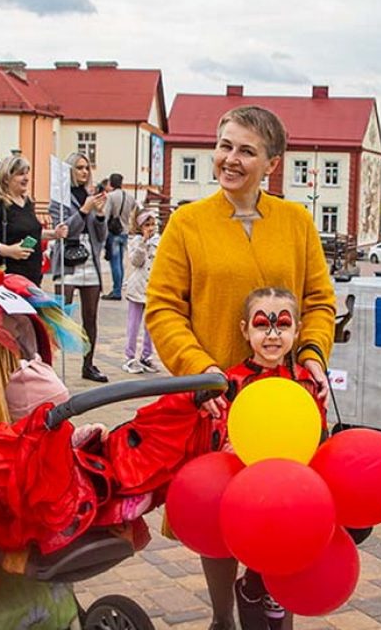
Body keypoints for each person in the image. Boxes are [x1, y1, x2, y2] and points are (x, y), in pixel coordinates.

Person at [146, 105, 336, 630]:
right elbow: (163, 307)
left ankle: (278, 610)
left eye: (246, 150)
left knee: (285, 507)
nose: (231, 158)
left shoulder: (296, 223)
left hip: (285, 397)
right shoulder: (188, 223)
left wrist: (315, 352)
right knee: (223, 508)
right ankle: (223, 617)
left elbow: (320, 300)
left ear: (271, 163)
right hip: (220, 397)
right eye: (225, 145)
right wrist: (198, 370)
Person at [219, 287, 327, 630]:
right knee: (263, 552)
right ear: (244, 330)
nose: (272, 334)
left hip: (296, 493)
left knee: (289, 555)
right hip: (251, 494)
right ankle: (251, 592)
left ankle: (264, 595)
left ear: (297, 331)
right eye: (262, 325)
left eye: (282, 325)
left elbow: (317, 434)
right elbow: (222, 432)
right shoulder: (232, 381)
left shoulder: (307, 382)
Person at [51, 151, 110, 382]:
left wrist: (101, 216)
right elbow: (65, 230)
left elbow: (100, 236)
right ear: (69, 171)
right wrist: (84, 210)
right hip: (67, 259)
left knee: (91, 315)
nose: (84, 172)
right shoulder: (60, 198)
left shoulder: (90, 195)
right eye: (79, 168)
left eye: (86, 168)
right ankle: (52, 366)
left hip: (89, 258)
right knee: (60, 314)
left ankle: (89, 364)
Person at [0, 155, 67, 287]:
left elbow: (32, 232)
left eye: (27, 173)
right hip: (7, 279)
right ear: (6, 178)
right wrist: (9, 250)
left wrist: (54, 234)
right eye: (20, 174)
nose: (26, 178)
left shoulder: (27, 202)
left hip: (32, 277)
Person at [122, 208, 160, 374]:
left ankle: (147, 356)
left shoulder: (159, 240)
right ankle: (129, 357)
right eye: (147, 224)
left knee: (150, 325)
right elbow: (136, 262)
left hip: (153, 287)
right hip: (137, 287)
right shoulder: (135, 241)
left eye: (152, 224)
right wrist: (143, 243)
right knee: (133, 324)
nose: (150, 228)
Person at [102, 172, 135, 300]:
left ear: (111, 183)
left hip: (114, 232)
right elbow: (134, 210)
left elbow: (106, 215)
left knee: (115, 262)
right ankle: (118, 288)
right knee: (120, 262)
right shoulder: (130, 197)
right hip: (125, 231)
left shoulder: (110, 197)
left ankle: (116, 291)